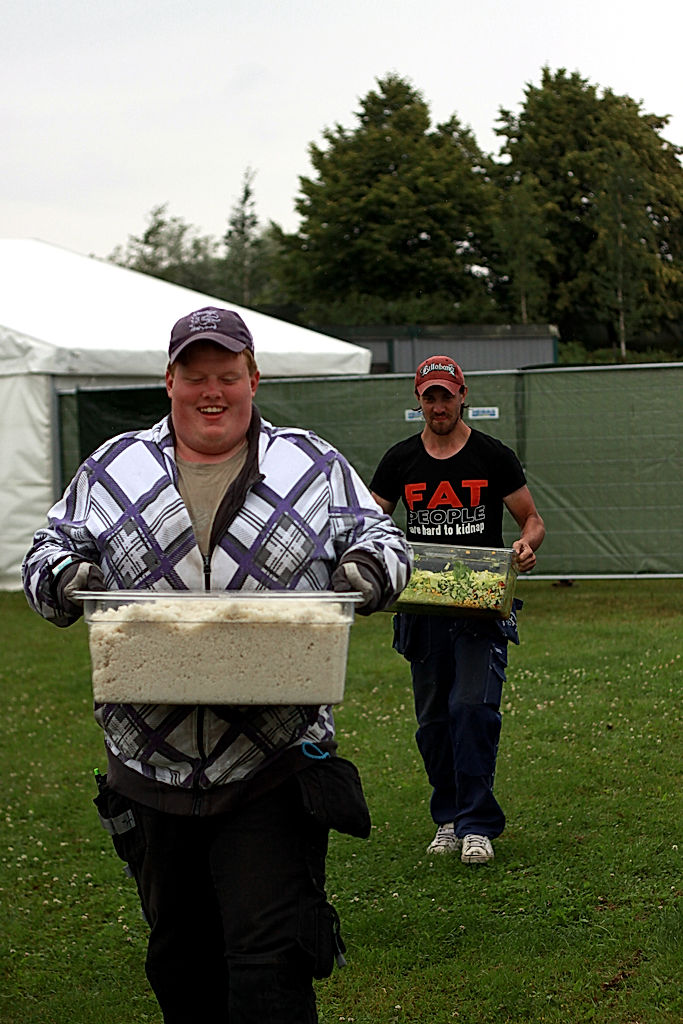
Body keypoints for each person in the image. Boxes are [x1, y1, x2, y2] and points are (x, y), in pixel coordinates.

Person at [22, 306, 412, 1024]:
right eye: (195, 376)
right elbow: (43, 555)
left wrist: (363, 571)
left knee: (271, 964)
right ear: (168, 381)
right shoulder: (112, 468)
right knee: (181, 958)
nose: (212, 391)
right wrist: (71, 578)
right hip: (149, 765)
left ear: (252, 379)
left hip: (271, 762)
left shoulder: (311, 463)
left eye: (227, 375)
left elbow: (385, 540)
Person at [370, 355, 545, 865]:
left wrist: (525, 547)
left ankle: (477, 826)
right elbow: (372, 521)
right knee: (432, 721)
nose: (439, 404)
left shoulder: (493, 456)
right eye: (430, 396)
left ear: (463, 395)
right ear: (418, 398)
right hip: (422, 611)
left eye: (447, 395)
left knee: (471, 708)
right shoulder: (400, 459)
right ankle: (447, 819)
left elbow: (531, 519)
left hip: (481, 606)